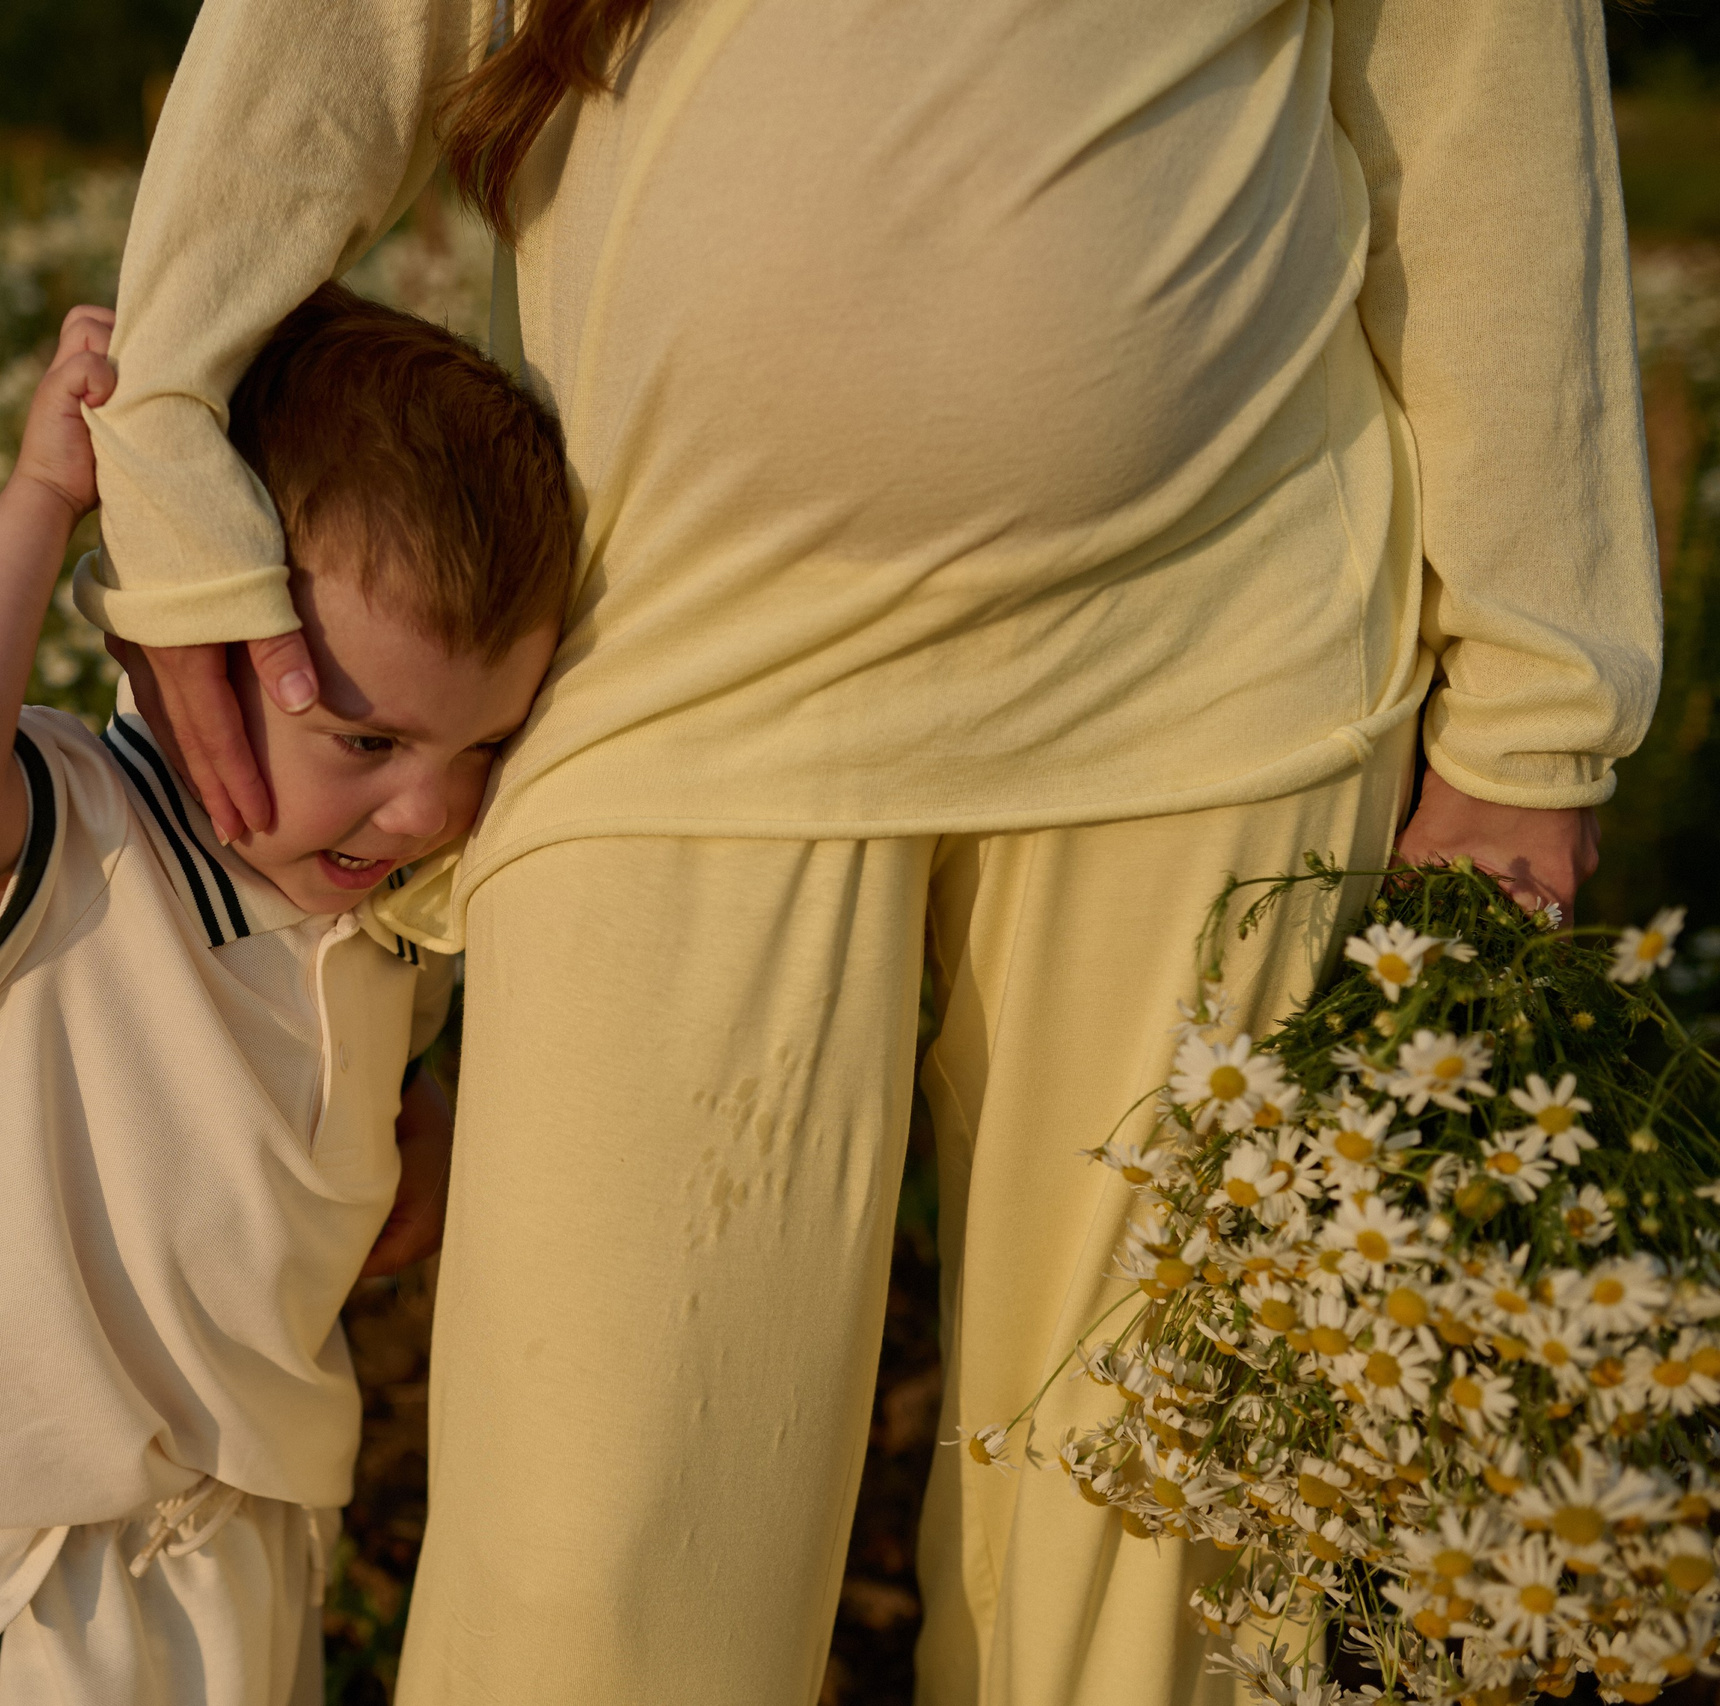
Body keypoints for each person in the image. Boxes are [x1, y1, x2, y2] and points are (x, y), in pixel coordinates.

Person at [82, 2, 1664, 1701]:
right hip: (664, 660)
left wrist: (1530, 721)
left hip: (1217, 675)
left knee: (1154, 1578)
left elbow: (1479, 89)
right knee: (586, 1565)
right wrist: (167, 459)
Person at [0, 288, 575, 1705]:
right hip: (58, 1548)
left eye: (483, 746)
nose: (428, 805)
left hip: (259, 1514)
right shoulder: (81, 840)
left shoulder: (371, 922)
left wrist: (404, 1121)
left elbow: (320, 1078)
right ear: (165, 641)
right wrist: (46, 496)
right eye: (362, 733)